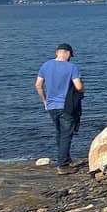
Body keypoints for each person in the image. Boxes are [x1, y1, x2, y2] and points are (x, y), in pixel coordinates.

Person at [35, 43, 84, 174]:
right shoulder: (71, 67)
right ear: (67, 54)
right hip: (66, 105)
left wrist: (44, 100)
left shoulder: (46, 65)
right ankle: (62, 165)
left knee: (59, 133)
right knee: (66, 135)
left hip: (51, 106)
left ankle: (65, 159)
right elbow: (78, 86)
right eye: (70, 56)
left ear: (57, 52)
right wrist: (83, 90)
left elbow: (38, 85)